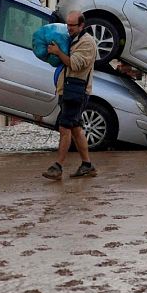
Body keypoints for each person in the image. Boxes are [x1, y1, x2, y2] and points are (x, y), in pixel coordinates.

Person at [43, 11, 99, 180]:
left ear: (81, 25)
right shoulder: (73, 39)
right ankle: (87, 165)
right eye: (67, 24)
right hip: (68, 90)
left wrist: (58, 52)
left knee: (64, 127)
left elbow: (74, 64)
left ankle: (57, 167)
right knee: (75, 129)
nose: (68, 28)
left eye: (72, 25)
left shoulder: (87, 43)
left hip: (77, 92)